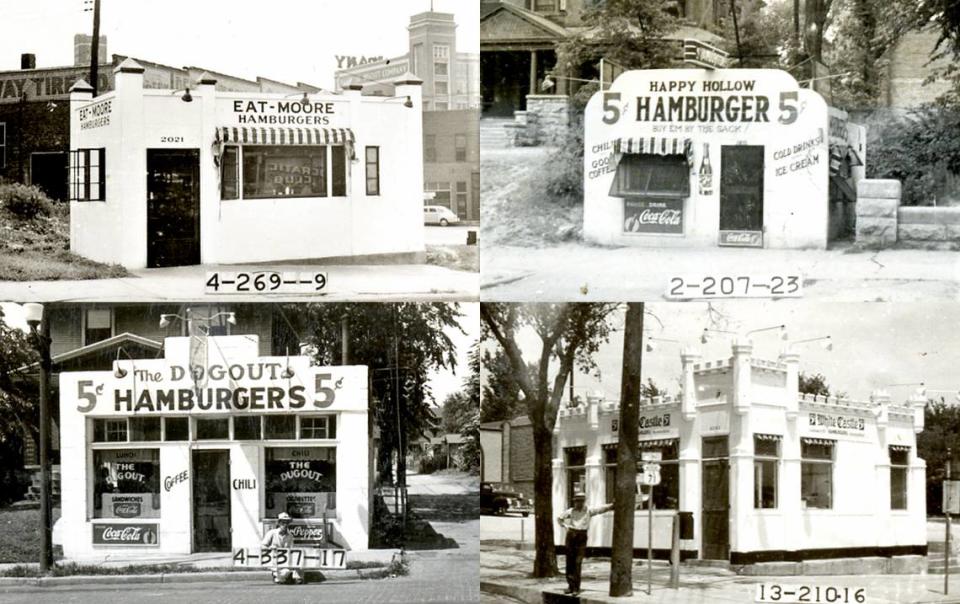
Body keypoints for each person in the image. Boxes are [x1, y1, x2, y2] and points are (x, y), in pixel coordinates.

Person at [556, 491, 614, 596]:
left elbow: (601, 509)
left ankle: (576, 588)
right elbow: (559, 518)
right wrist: (565, 527)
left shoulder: (589, 510)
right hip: (571, 535)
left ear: (584, 501)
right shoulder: (571, 511)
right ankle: (570, 586)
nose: (579, 503)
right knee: (570, 562)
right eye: (577, 501)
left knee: (578, 562)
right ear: (574, 501)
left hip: (581, 536)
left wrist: (612, 505)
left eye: (581, 501)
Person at [261, 512, 303, 585]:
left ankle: (295, 578)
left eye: (287, 522)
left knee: (299, 563)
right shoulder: (271, 533)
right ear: (279, 523)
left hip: (286, 560)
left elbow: (292, 549)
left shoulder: (290, 536)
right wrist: (270, 549)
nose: (285, 524)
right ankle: (280, 576)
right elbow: (263, 546)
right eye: (283, 522)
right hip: (274, 560)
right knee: (280, 578)